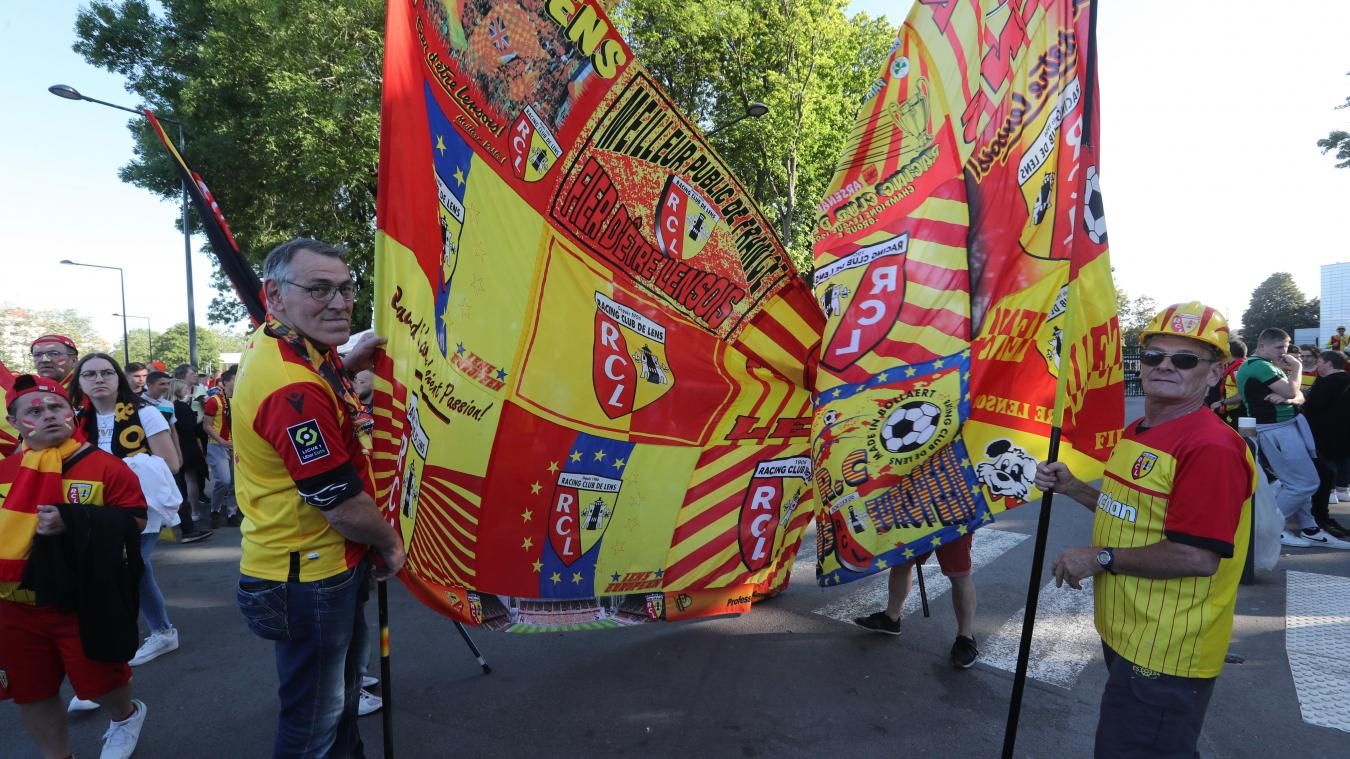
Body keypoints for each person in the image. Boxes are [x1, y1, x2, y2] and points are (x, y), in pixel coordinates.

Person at [1034, 302, 1253, 759]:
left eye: (1186, 359)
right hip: (1129, 634)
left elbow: (1197, 556)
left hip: (1168, 649)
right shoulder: (1139, 428)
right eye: (1154, 356)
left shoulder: (1210, 446)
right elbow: (1133, 512)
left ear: (1214, 374)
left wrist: (1099, 557)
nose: (1165, 366)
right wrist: (1074, 487)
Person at [234, 238, 404, 758]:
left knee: (341, 707)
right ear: (275, 295)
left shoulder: (291, 345)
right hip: (309, 576)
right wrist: (390, 544)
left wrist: (349, 362)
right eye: (319, 288)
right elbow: (339, 502)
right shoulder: (293, 387)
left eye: (346, 288)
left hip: (313, 564)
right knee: (315, 725)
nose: (339, 301)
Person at [0, 374, 149, 759]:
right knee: (32, 693)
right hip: (13, 605)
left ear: (71, 413)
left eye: (56, 407)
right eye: (34, 411)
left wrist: (73, 520)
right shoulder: (4, 472)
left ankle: (125, 716)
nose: (48, 415)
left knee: (102, 683)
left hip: (80, 599)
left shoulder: (105, 467)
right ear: (14, 422)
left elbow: (136, 521)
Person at [68, 353, 188, 671]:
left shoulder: (145, 413)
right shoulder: (77, 418)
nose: (98, 379)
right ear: (79, 381)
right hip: (95, 508)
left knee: (130, 565)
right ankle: (158, 631)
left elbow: (172, 463)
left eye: (106, 372)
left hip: (140, 505)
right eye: (90, 374)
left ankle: (152, 633)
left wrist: (115, 470)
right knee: (132, 569)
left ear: (118, 378)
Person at [1236, 328, 1345, 547]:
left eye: (1285, 348)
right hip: (1276, 429)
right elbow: (1290, 391)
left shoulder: (1264, 365)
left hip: (1285, 427)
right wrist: (1296, 371)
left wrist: (1291, 395)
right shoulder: (1259, 365)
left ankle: (1309, 527)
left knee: (1299, 481)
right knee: (1305, 483)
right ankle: (1270, 528)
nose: (1282, 352)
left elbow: (1297, 395)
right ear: (1262, 346)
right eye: (1278, 348)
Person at [852, 532, 980, 667]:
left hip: (952, 518)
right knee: (901, 562)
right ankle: (891, 618)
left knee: (959, 574)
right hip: (915, 516)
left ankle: (966, 637)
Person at [147, 371, 212, 544]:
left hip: (168, 454)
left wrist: (177, 453)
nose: (166, 387)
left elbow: (173, 430)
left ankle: (186, 529)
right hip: (148, 457)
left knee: (176, 490)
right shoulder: (140, 404)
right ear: (151, 384)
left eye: (167, 384)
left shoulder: (168, 404)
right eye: (162, 384)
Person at [1303, 350, 1350, 538]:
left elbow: (1312, 406)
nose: (1317, 365)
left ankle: (1319, 518)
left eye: (1320, 362)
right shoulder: (1346, 379)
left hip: (1322, 439)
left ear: (1329, 364)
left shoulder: (1327, 383)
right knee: (1327, 476)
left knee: (1321, 480)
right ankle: (1321, 517)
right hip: (1342, 439)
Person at [202, 366, 240, 528]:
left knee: (234, 483)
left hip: (236, 446)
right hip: (218, 446)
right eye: (235, 378)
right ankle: (215, 510)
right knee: (224, 481)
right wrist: (222, 441)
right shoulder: (214, 400)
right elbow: (207, 426)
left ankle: (232, 512)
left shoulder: (239, 399)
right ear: (226, 382)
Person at [1208, 338, 1246, 427]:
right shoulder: (1238, 366)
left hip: (1239, 415)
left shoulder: (1237, 369)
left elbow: (1244, 394)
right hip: (1235, 414)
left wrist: (1221, 402)